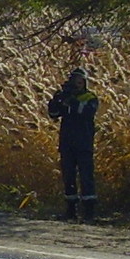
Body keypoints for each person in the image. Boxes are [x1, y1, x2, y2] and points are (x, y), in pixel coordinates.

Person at [47, 67, 100, 221]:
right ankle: (71, 210)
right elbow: (54, 115)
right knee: (68, 176)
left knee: (86, 176)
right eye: (74, 80)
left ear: (84, 82)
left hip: (83, 143)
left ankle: (89, 212)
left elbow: (86, 112)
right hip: (67, 142)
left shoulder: (90, 97)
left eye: (79, 80)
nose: (76, 83)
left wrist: (72, 101)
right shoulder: (66, 97)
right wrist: (55, 102)